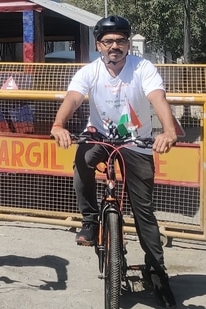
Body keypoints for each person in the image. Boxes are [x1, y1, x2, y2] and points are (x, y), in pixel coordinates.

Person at [50, 16, 177, 307]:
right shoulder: (90, 71)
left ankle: (158, 274)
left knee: (144, 214)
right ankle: (90, 219)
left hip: (136, 143)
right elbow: (73, 98)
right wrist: (59, 125)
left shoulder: (142, 68)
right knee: (82, 159)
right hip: (99, 138)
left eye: (120, 40)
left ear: (127, 44)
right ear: (99, 46)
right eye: (108, 42)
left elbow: (157, 97)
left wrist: (168, 130)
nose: (115, 46)